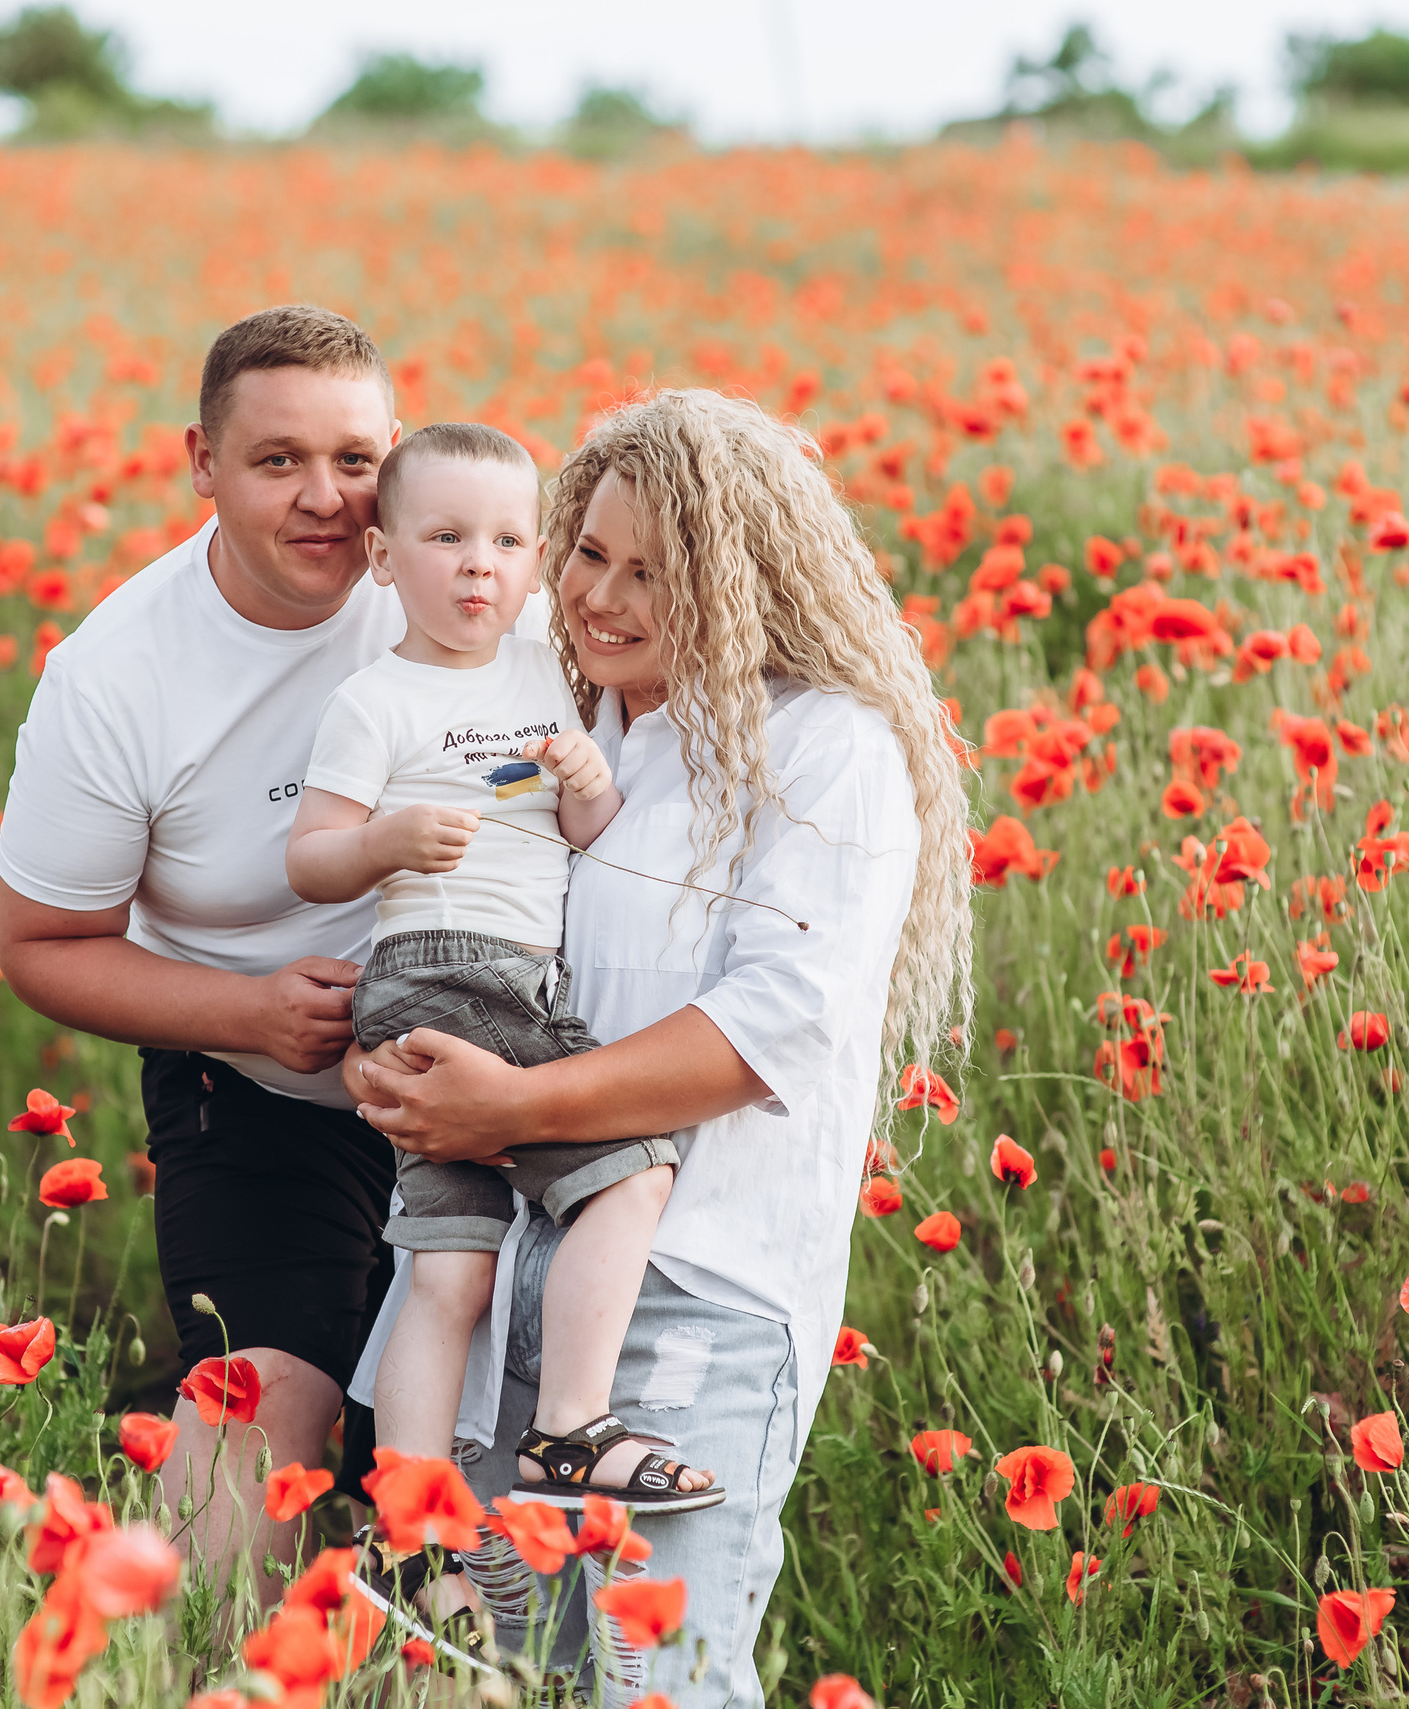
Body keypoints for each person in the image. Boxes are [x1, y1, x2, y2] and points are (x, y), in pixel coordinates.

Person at [346, 389, 974, 1705]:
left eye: (654, 572)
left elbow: (768, 1033)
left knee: (656, 1681)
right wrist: (401, 1063)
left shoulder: (826, 752)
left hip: (699, 1287)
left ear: (743, 581)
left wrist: (509, 1104)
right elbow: (470, 938)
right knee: (497, 1675)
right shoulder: (568, 728)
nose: (601, 597)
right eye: (588, 555)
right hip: (501, 1271)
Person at [0, 304, 419, 1603]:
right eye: (278, 460)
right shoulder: (120, 675)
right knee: (265, 1418)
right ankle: (169, 1656)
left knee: (454, 1429)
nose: (325, 499)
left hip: (483, 1094)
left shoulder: (465, 580)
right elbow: (42, 946)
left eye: (355, 460)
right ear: (202, 464)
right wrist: (248, 1012)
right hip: (257, 1087)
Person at [283, 423, 723, 1629]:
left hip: (518, 976)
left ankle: (417, 1528)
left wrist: (586, 780)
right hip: (436, 968)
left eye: (509, 541)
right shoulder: (376, 699)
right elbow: (310, 857)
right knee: (628, 1171)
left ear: (534, 563)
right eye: (445, 538)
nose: (479, 565)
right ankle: (564, 1432)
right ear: (382, 559)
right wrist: (382, 841)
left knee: (453, 1266)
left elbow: (585, 835)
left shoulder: (543, 667)